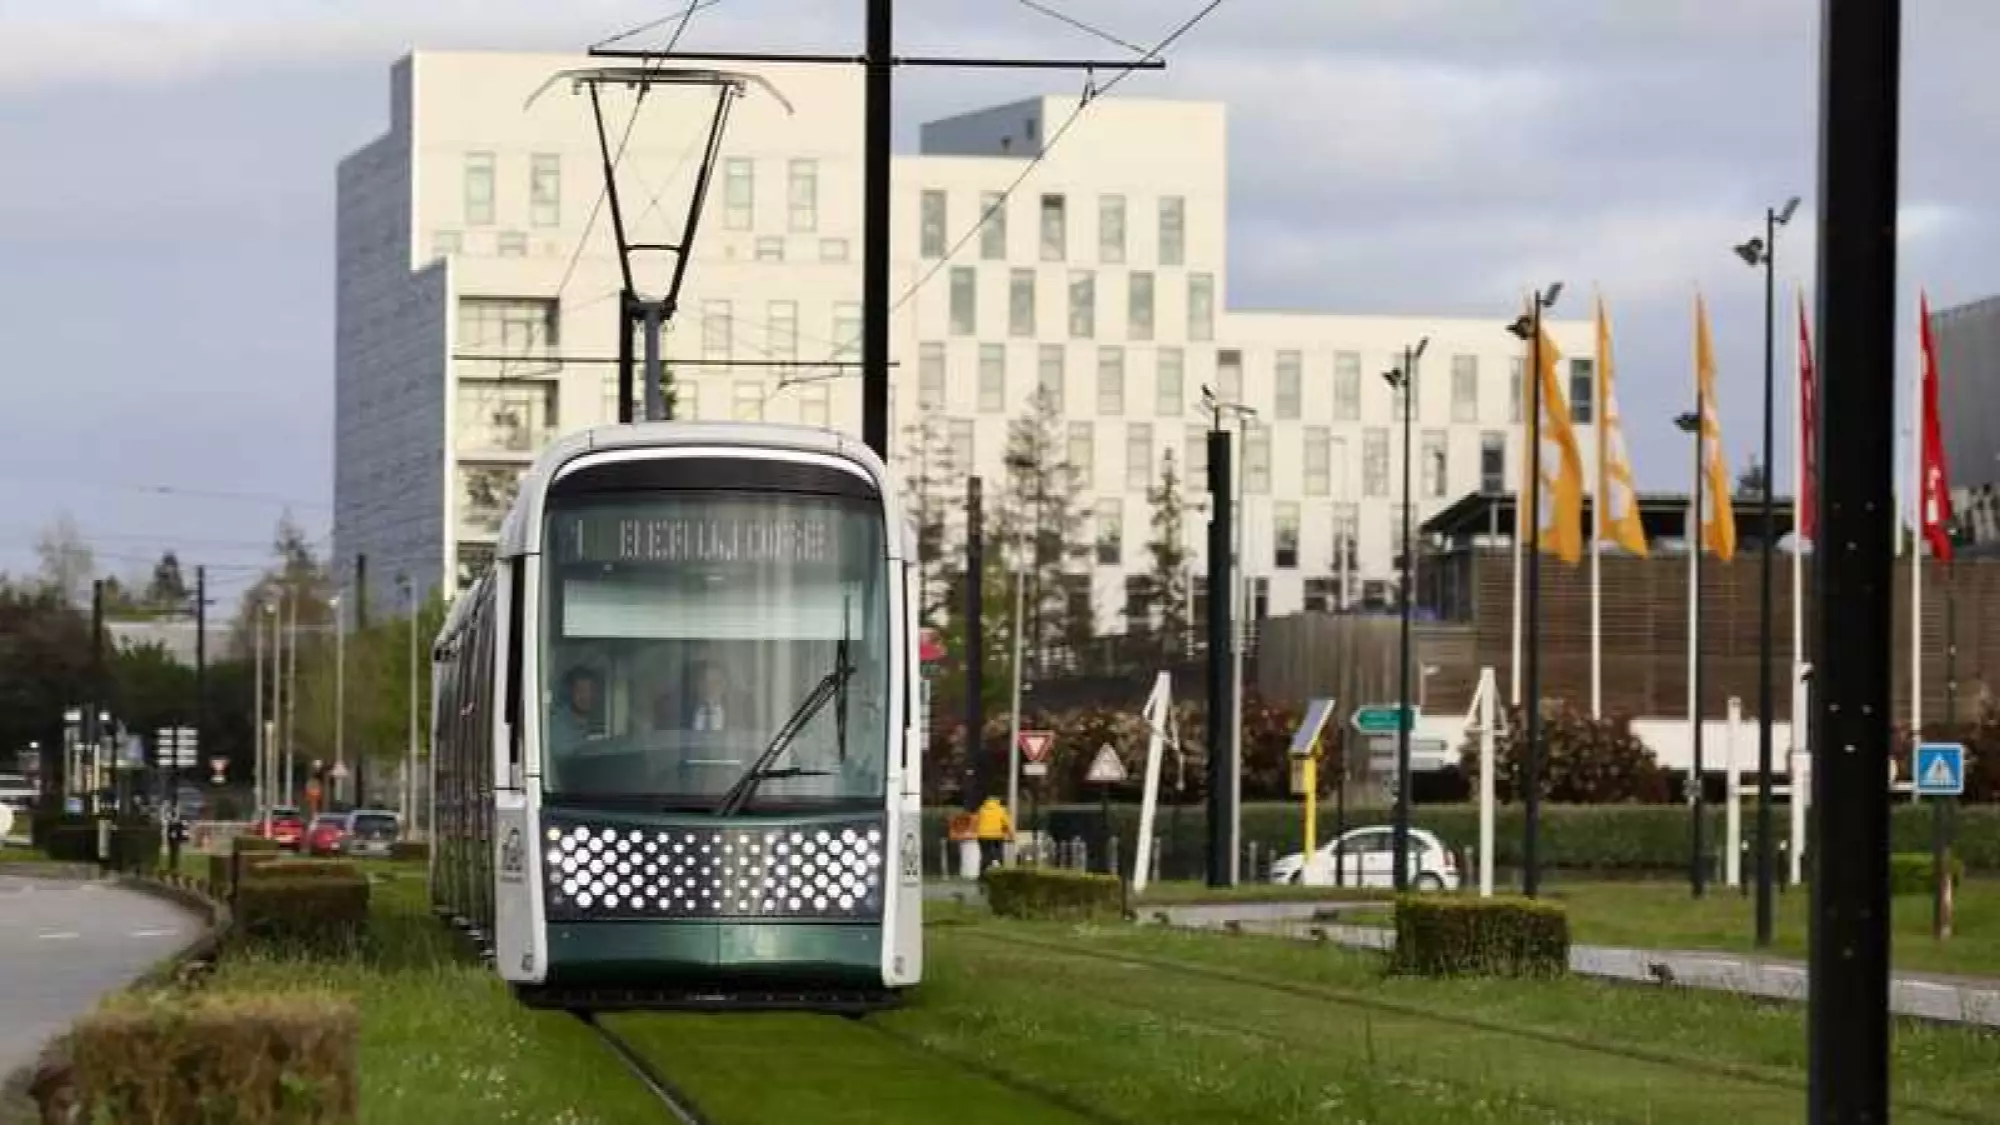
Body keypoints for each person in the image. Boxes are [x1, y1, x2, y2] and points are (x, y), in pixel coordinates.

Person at [549, 666, 602, 752]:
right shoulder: (559, 725)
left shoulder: (596, 722)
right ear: (569, 693)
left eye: (592, 690)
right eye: (581, 691)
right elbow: (566, 755)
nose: (587, 695)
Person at [974, 796, 1012, 873]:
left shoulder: (981, 809)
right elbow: (1007, 823)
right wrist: (1011, 834)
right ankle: (1001, 871)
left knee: (985, 854)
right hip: (997, 835)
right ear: (998, 802)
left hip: (983, 836)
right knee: (999, 853)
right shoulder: (1001, 810)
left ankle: (982, 873)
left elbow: (976, 821)